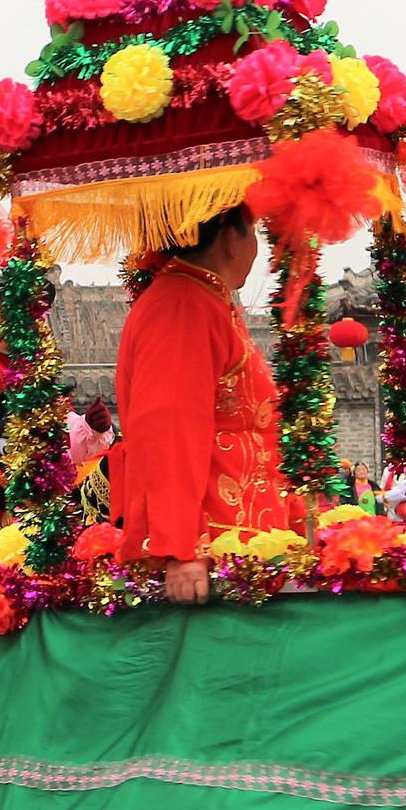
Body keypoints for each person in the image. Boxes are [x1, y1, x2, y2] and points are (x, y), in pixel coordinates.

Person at [111, 205, 293, 604]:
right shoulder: (182, 303)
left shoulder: (205, 299)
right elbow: (166, 427)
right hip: (214, 556)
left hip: (240, 546)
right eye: (254, 232)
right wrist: (183, 548)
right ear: (231, 236)